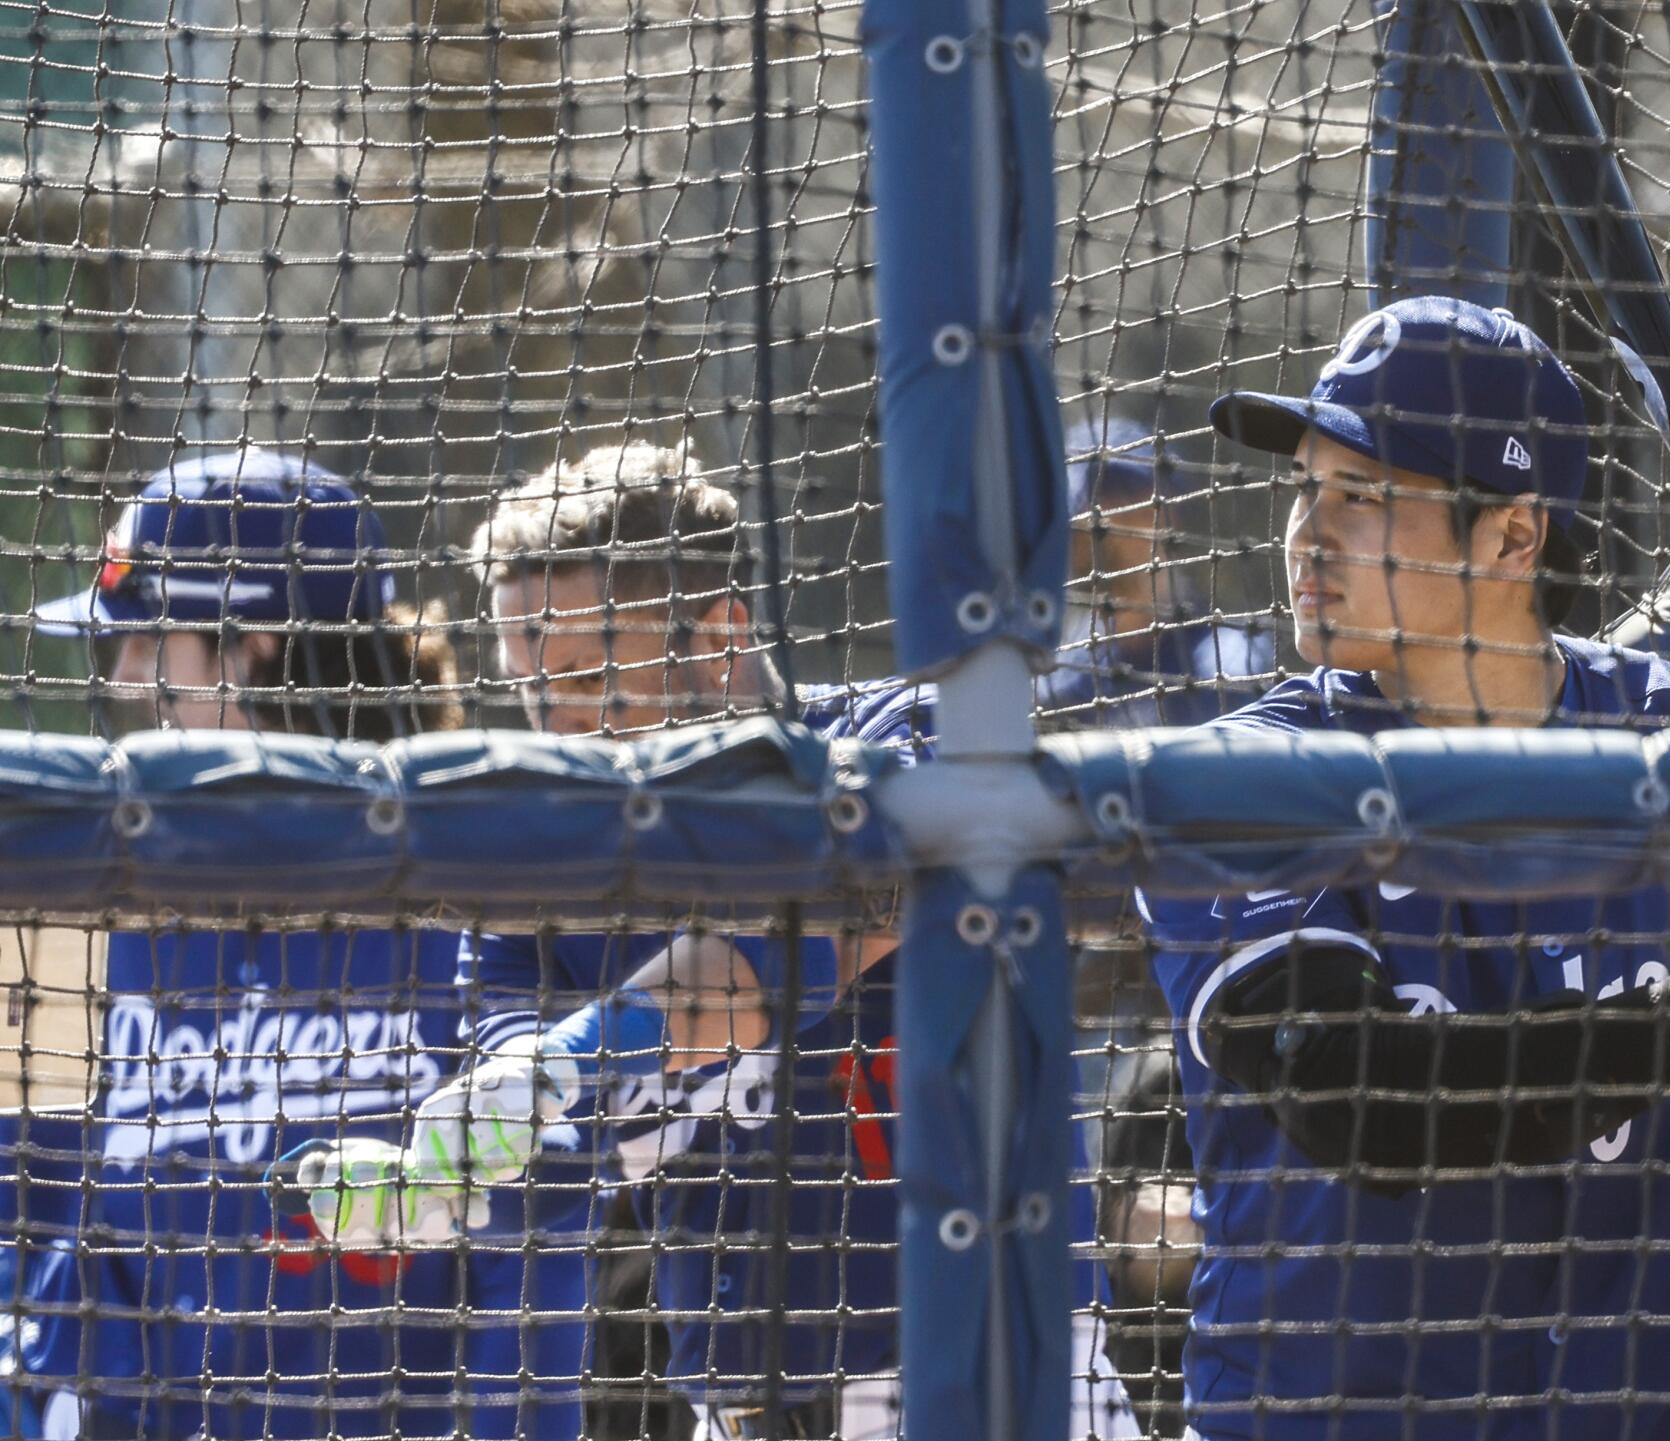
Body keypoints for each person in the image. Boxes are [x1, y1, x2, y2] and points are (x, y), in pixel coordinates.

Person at [1135, 296, 1670, 1441]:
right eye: (1305, 487)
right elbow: (1366, 1102)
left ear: (1510, 537)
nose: (1307, 533)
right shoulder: (1239, 779)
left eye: (1364, 496)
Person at [296, 440, 1136, 1438]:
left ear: (718, 636)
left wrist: (566, 1057)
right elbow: (559, 1168)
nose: (554, 721)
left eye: (587, 672)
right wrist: (455, 1175)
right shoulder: (541, 889)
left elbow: (783, 947)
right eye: (531, 687)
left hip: (983, 1385)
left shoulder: (905, 738)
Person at [1, 447, 589, 1439]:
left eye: (153, 644)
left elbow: (532, 1242)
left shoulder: (457, 887)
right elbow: (127, 1230)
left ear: (254, 644)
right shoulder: (158, 900)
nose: (126, 676)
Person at [1042, 415, 1274, 731]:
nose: (1096, 528)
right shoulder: (1059, 671)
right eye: (1083, 512)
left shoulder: (1224, 659)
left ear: (1165, 518)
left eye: (1121, 505)